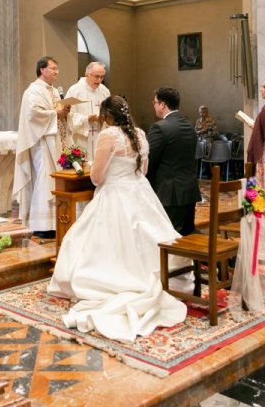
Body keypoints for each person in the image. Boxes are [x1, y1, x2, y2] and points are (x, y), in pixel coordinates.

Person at [48, 96, 187, 342]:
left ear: (107, 116)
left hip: (115, 194)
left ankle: (107, 282)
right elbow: (142, 171)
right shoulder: (140, 134)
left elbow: (97, 177)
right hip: (140, 192)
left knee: (95, 240)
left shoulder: (109, 135)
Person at [13, 56, 70, 239]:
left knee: (55, 181)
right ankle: (41, 225)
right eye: (53, 68)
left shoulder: (53, 91)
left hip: (56, 141)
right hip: (43, 143)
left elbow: (56, 112)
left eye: (57, 68)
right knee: (45, 181)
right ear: (42, 70)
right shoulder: (33, 91)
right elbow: (33, 114)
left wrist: (64, 112)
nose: (56, 72)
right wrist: (56, 113)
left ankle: (55, 222)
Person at [146, 87, 202, 235]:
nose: (154, 106)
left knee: (169, 236)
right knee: (186, 234)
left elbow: (149, 161)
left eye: (155, 102)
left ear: (162, 104)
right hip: (189, 190)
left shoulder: (159, 127)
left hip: (168, 193)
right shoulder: (189, 126)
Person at [64, 61, 111, 161]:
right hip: (82, 138)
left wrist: (104, 118)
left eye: (102, 77)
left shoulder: (105, 91)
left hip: (100, 134)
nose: (99, 80)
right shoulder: (75, 90)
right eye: (96, 76)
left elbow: (110, 112)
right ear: (87, 74)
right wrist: (86, 119)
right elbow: (67, 115)